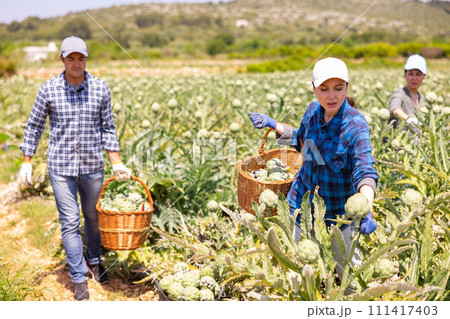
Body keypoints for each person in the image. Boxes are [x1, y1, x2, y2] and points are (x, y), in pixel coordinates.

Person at [248, 57, 377, 294]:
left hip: (340, 215)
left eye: (339, 88)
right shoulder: (311, 111)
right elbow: (301, 141)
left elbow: (364, 170)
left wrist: (366, 206)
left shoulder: (356, 126)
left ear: (347, 87)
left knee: (348, 279)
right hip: (302, 206)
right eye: (324, 89)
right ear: (314, 88)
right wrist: (274, 124)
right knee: (303, 273)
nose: (332, 96)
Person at [18, 36, 132, 301]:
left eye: (81, 58)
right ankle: (79, 278)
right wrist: (26, 160)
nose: (76, 63)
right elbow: (34, 126)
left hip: (93, 165)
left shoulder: (100, 88)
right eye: (71, 58)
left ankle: (94, 259)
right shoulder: (48, 89)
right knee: (70, 221)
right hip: (60, 167)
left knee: (93, 217)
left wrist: (116, 161)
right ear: (62, 59)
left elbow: (107, 127)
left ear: (86, 59)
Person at [388, 54, 427, 135]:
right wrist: (409, 119)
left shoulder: (422, 98)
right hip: (398, 145)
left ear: (424, 76)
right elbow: (394, 109)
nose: (414, 78)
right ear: (404, 75)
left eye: (418, 74)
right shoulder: (399, 93)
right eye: (410, 74)